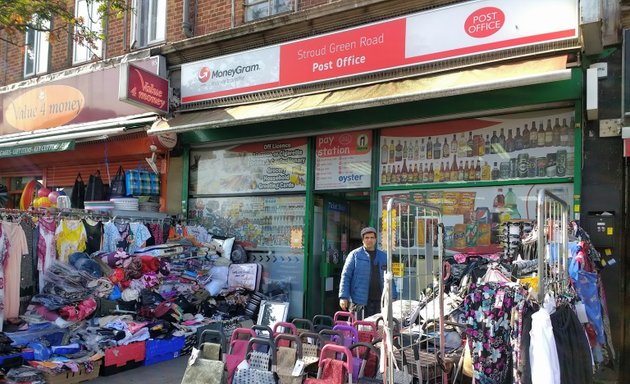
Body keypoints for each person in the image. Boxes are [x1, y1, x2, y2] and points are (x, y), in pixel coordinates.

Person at [338, 226, 387, 319]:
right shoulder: (354, 255)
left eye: (372, 237)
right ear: (362, 240)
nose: (370, 240)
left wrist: (392, 297)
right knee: (357, 330)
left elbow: (389, 278)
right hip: (359, 302)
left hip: (379, 302)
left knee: (377, 330)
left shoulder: (383, 256)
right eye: (367, 238)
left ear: (376, 239)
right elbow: (346, 276)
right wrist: (343, 297)